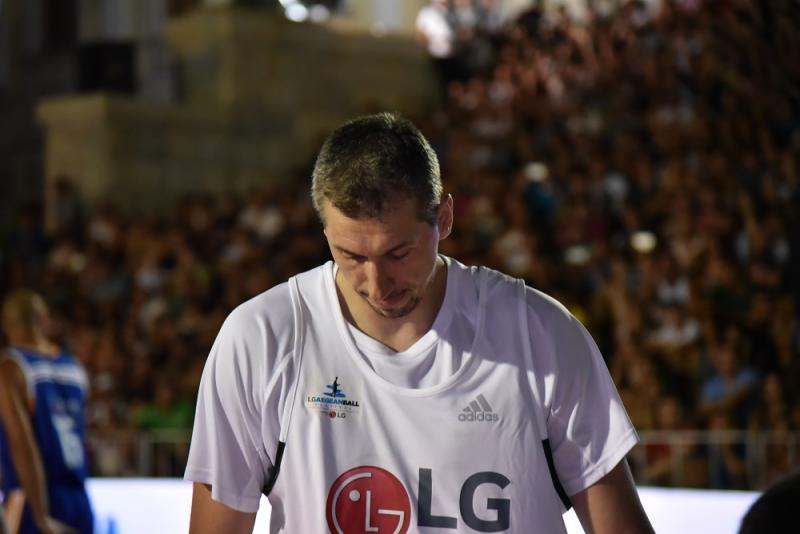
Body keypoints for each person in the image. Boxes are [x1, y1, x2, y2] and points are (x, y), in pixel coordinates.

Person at [185, 112, 654, 533]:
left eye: (398, 253)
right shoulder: (260, 338)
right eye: (351, 255)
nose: (376, 283)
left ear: (444, 218)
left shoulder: (540, 334)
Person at [0, 289, 94, 534]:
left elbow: (22, 445)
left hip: (32, 496)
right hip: (78, 496)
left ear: (7, 324)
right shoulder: (74, 367)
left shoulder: (12, 367)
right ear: (44, 319)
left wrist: (40, 515)